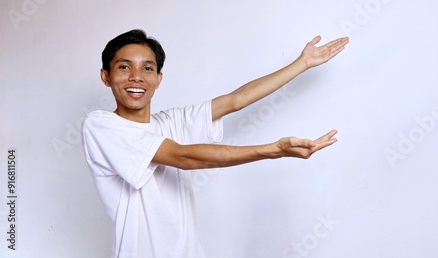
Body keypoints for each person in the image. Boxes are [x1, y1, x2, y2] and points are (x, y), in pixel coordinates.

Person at [82, 29, 349, 258]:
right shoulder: (102, 126)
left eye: (147, 68)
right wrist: (273, 150)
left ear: (158, 79)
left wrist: (301, 63)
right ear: (106, 76)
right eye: (124, 67)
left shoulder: (170, 122)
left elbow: (235, 100)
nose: (137, 77)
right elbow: (183, 157)